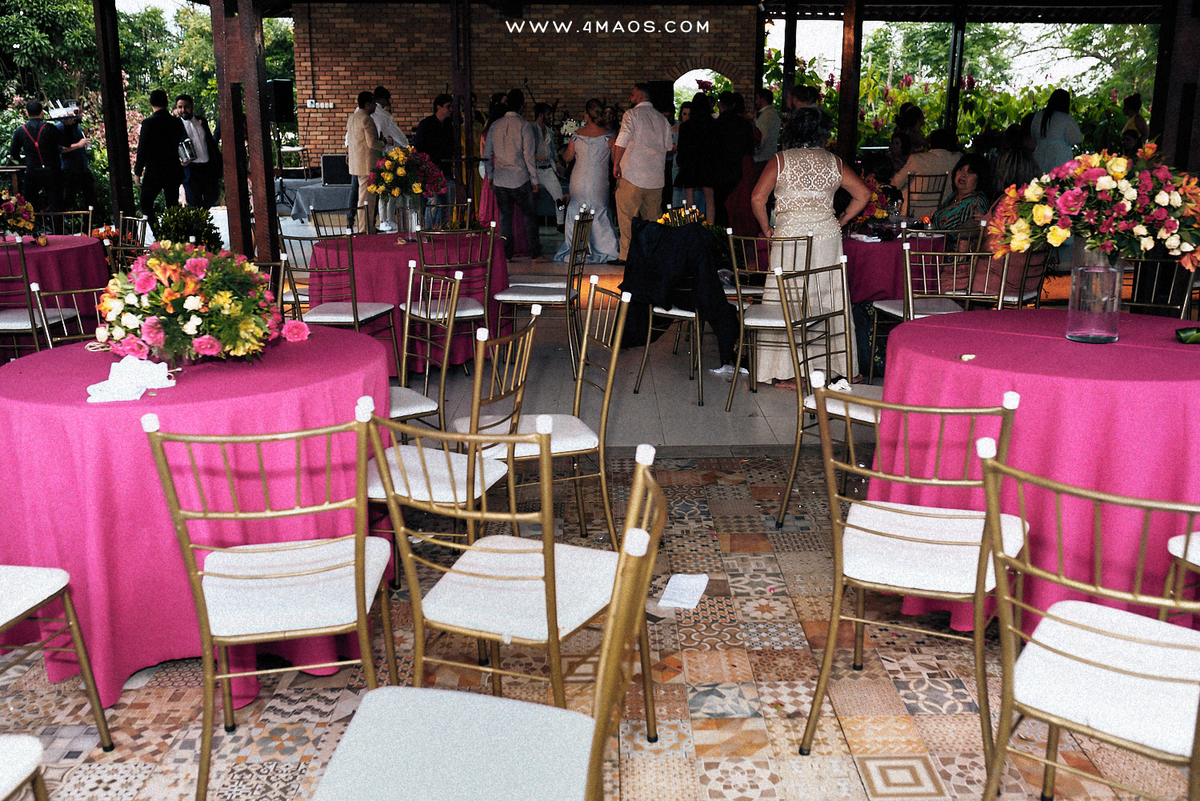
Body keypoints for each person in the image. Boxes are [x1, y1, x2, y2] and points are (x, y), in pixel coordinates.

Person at [751, 107, 870, 389]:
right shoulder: (833, 161)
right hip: (827, 235)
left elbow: (758, 198)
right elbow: (863, 194)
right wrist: (841, 220)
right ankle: (840, 367)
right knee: (828, 296)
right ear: (823, 133)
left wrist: (767, 229)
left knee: (791, 299)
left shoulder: (781, 160)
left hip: (790, 235)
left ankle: (792, 371)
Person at [482, 88, 545, 262]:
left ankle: (506, 255)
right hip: (520, 177)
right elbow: (528, 155)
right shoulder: (524, 125)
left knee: (505, 218)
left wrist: (491, 175)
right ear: (522, 107)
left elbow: (487, 154)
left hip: (501, 178)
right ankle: (535, 253)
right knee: (529, 217)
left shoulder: (495, 125)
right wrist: (535, 179)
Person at [611, 83, 672, 264]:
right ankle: (651, 256)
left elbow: (622, 140)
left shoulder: (631, 115)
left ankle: (626, 256)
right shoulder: (662, 119)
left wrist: (616, 164)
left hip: (632, 174)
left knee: (627, 217)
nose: (630, 99)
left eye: (632, 95)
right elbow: (669, 147)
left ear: (638, 96)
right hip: (655, 178)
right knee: (652, 220)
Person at [554, 98, 620, 264]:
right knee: (599, 211)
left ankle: (576, 248)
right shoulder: (610, 136)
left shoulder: (577, 136)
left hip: (578, 179)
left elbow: (568, 158)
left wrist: (560, 153)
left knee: (576, 210)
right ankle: (605, 249)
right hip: (598, 179)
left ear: (586, 114)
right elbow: (614, 160)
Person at [134, 89, 186, 231]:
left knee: (145, 204)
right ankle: (174, 236)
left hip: (154, 170)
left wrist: (138, 171)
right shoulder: (176, 123)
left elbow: (142, 149)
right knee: (172, 205)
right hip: (173, 168)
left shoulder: (148, 123)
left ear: (150, 102)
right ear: (167, 103)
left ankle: (159, 234)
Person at [8, 98, 62, 215]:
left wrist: (24, 158)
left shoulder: (20, 131)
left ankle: (33, 230)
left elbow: (13, 152)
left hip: (32, 171)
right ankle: (58, 231)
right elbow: (65, 143)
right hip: (52, 171)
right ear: (42, 112)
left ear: (27, 113)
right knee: (55, 203)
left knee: (30, 204)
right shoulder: (49, 128)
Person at [891, 128, 962, 214]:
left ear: (930, 143)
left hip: (913, 213)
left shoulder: (917, 159)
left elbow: (895, 184)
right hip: (943, 212)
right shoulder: (957, 159)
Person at [673, 93, 718, 222]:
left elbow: (682, 148)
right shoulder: (713, 124)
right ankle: (710, 228)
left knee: (689, 200)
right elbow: (716, 147)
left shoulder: (686, 126)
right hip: (707, 165)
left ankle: (691, 226)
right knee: (710, 201)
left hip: (690, 165)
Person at [414, 93, 456, 228]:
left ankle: (443, 228)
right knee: (433, 200)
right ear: (438, 107)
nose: (451, 109)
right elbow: (418, 148)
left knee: (447, 201)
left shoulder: (449, 125)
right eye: (448, 106)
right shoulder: (426, 124)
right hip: (431, 169)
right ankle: (429, 229)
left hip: (446, 168)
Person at [174, 94, 221, 209]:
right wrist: (179, 159)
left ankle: (201, 215)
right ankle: (199, 221)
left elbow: (210, 142)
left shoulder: (202, 121)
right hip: (191, 170)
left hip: (207, 167)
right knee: (193, 202)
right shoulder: (175, 125)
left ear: (192, 106)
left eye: (186, 107)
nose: (183, 110)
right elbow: (170, 147)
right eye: (180, 107)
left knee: (213, 196)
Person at [371, 86, 408, 231]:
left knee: (391, 188)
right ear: (382, 99)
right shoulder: (382, 115)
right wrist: (406, 144)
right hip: (381, 155)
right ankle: (383, 220)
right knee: (383, 190)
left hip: (386, 155)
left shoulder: (375, 114)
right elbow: (397, 134)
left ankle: (390, 219)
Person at [345, 90, 382, 234]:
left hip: (357, 163)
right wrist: (383, 142)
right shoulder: (367, 119)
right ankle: (365, 229)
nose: (375, 107)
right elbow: (372, 143)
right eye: (373, 104)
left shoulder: (352, 117)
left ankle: (364, 228)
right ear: (367, 104)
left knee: (362, 199)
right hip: (368, 164)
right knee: (367, 200)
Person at [930, 153, 990, 231]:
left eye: (970, 172)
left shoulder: (975, 203)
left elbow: (969, 237)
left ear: (980, 179)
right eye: (961, 169)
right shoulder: (955, 195)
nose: (963, 175)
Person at [1031, 88, 1082, 175]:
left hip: (1040, 156)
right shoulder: (1066, 118)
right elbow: (1077, 138)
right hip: (1060, 156)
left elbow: (1034, 136)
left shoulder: (1038, 116)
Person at [56, 107, 95, 214]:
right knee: (67, 200)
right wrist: (78, 145)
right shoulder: (59, 127)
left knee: (90, 199)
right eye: (77, 112)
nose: (80, 114)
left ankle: (88, 225)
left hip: (83, 167)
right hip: (68, 168)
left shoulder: (77, 127)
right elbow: (58, 148)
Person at [532, 102, 565, 227]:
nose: (550, 117)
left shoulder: (550, 132)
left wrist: (557, 163)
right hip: (534, 169)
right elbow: (526, 151)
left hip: (548, 169)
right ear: (541, 115)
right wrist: (537, 156)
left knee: (559, 197)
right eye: (548, 115)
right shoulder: (531, 129)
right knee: (530, 200)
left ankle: (560, 224)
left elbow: (553, 151)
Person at [752, 88, 781, 179]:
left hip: (762, 159)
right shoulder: (772, 113)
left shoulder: (766, 115)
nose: (755, 102)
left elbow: (761, 138)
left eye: (757, 99)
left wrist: (754, 152)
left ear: (763, 100)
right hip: (768, 157)